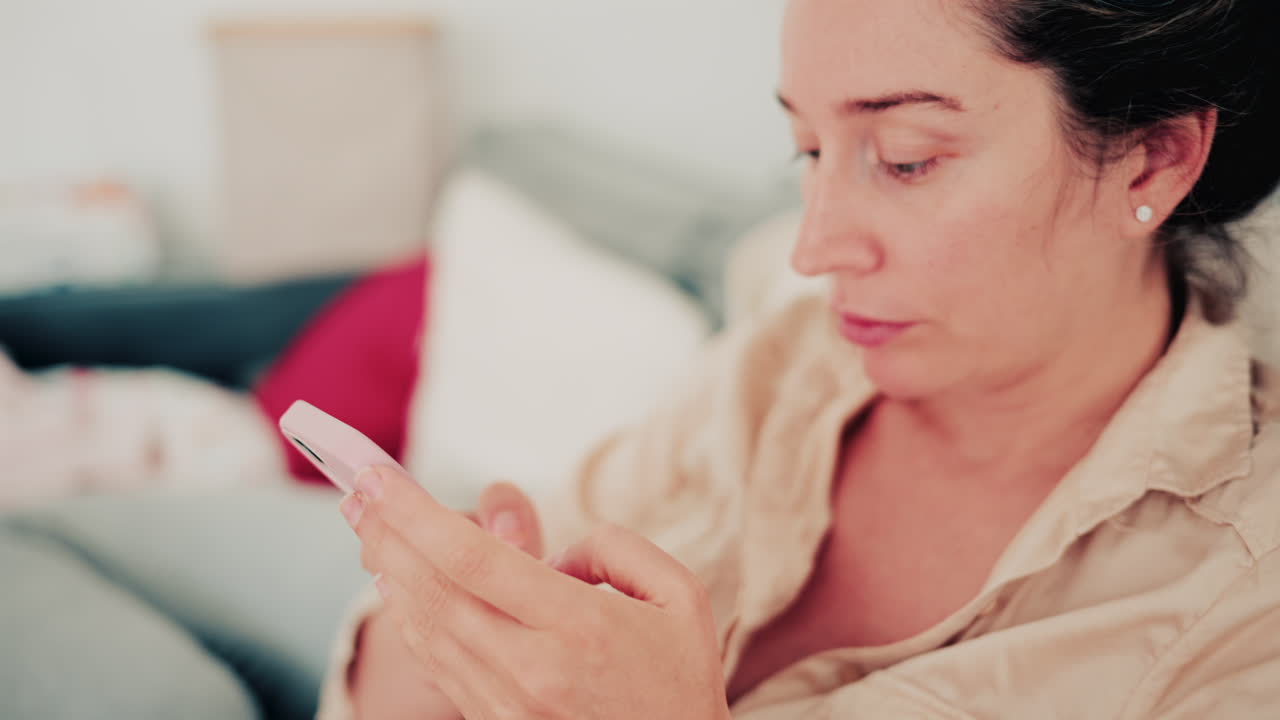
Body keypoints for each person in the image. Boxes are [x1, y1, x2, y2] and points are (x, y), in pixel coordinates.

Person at [323, 0, 1280, 718]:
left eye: (906, 158)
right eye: (808, 152)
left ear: (1151, 159)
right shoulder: (785, 364)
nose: (811, 249)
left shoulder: (1241, 606)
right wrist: (446, 620)